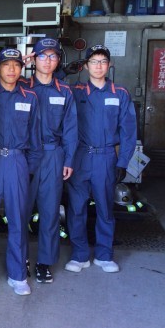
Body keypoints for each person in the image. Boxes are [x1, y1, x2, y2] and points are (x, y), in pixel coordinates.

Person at [65, 44, 137, 273]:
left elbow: (128, 132)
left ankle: (104, 255)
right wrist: (63, 71)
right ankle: (79, 255)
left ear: (109, 65)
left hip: (106, 158)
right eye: (94, 62)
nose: (98, 66)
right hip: (80, 157)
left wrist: (123, 161)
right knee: (76, 209)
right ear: (86, 66)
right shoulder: (74, 91)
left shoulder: (120, 93)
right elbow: (48, 87)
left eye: (103, 61)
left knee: (105, 209)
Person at [0, 48, 42, 296]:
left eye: (16, 65)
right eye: (6, 65)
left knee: (18, 220)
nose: (11, 69)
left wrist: (28, 168)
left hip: (18, 161)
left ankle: (18, 275)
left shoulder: (30, 97)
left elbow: (35, 137)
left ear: (22, 69)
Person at [19, 38, 78, 283]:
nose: (47, 60)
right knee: (20, 210)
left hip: (53, 156)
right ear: (34, 59)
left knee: (50, 211)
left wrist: (69, 159)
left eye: (53, 56)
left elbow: (71, 129)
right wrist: (18, 63)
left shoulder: (64, 91)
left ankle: (44, 262)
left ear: (58, 61)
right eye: (42, 55)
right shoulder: (20, 86)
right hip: (24, 155)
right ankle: (20, 258)